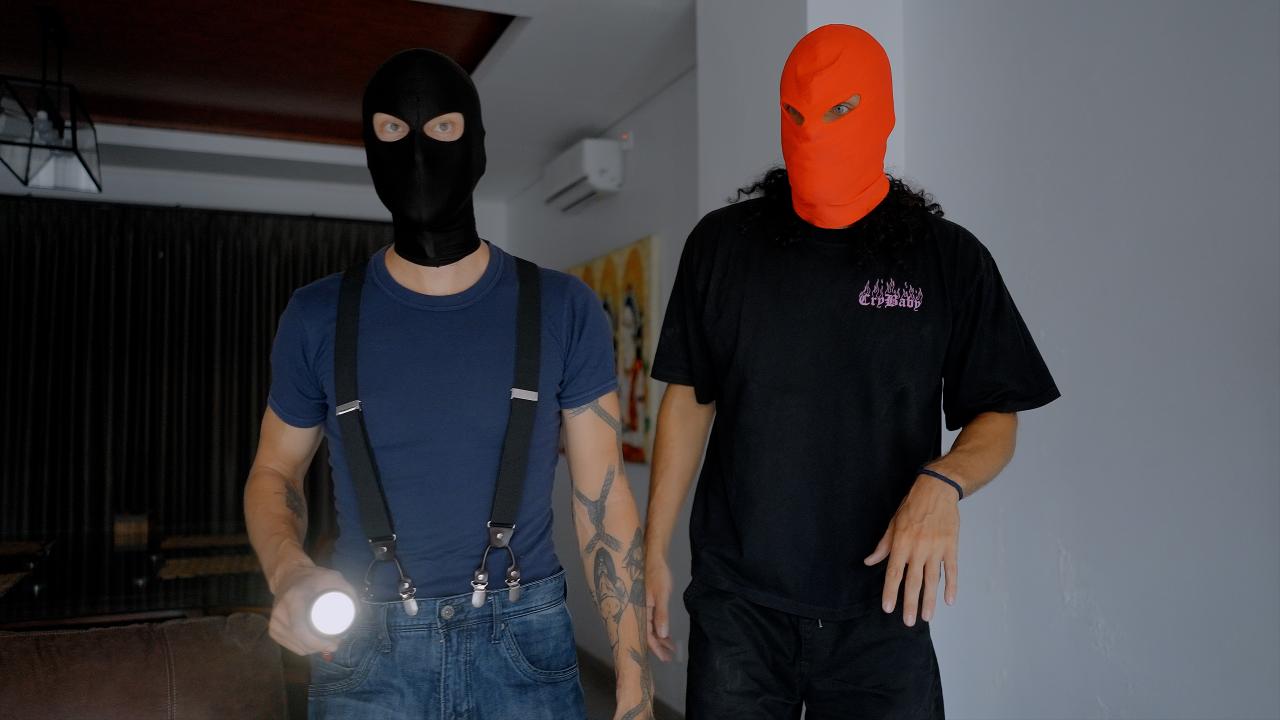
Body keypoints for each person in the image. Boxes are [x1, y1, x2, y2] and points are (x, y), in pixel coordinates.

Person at [643, 24, 1059, 719]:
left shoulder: (948, 259)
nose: (814, 131)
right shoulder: (721, 245)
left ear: (882, 111)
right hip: (740, 600)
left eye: (840, 109)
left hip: (883, 601)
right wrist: (652, 549)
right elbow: (689, 398)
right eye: (796, 113)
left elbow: (998, 412)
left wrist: (943, 483)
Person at [244, 49, 653, 720]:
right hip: (366, 651)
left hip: (524, 646)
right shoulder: (318, 315)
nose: (416, 151)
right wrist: (289, 572)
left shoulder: (562, 308)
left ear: (477, 144)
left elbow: (602, 499)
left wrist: (634, 683)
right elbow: (273, 472)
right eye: (391, 131)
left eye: (441, 128)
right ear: (369, 151)